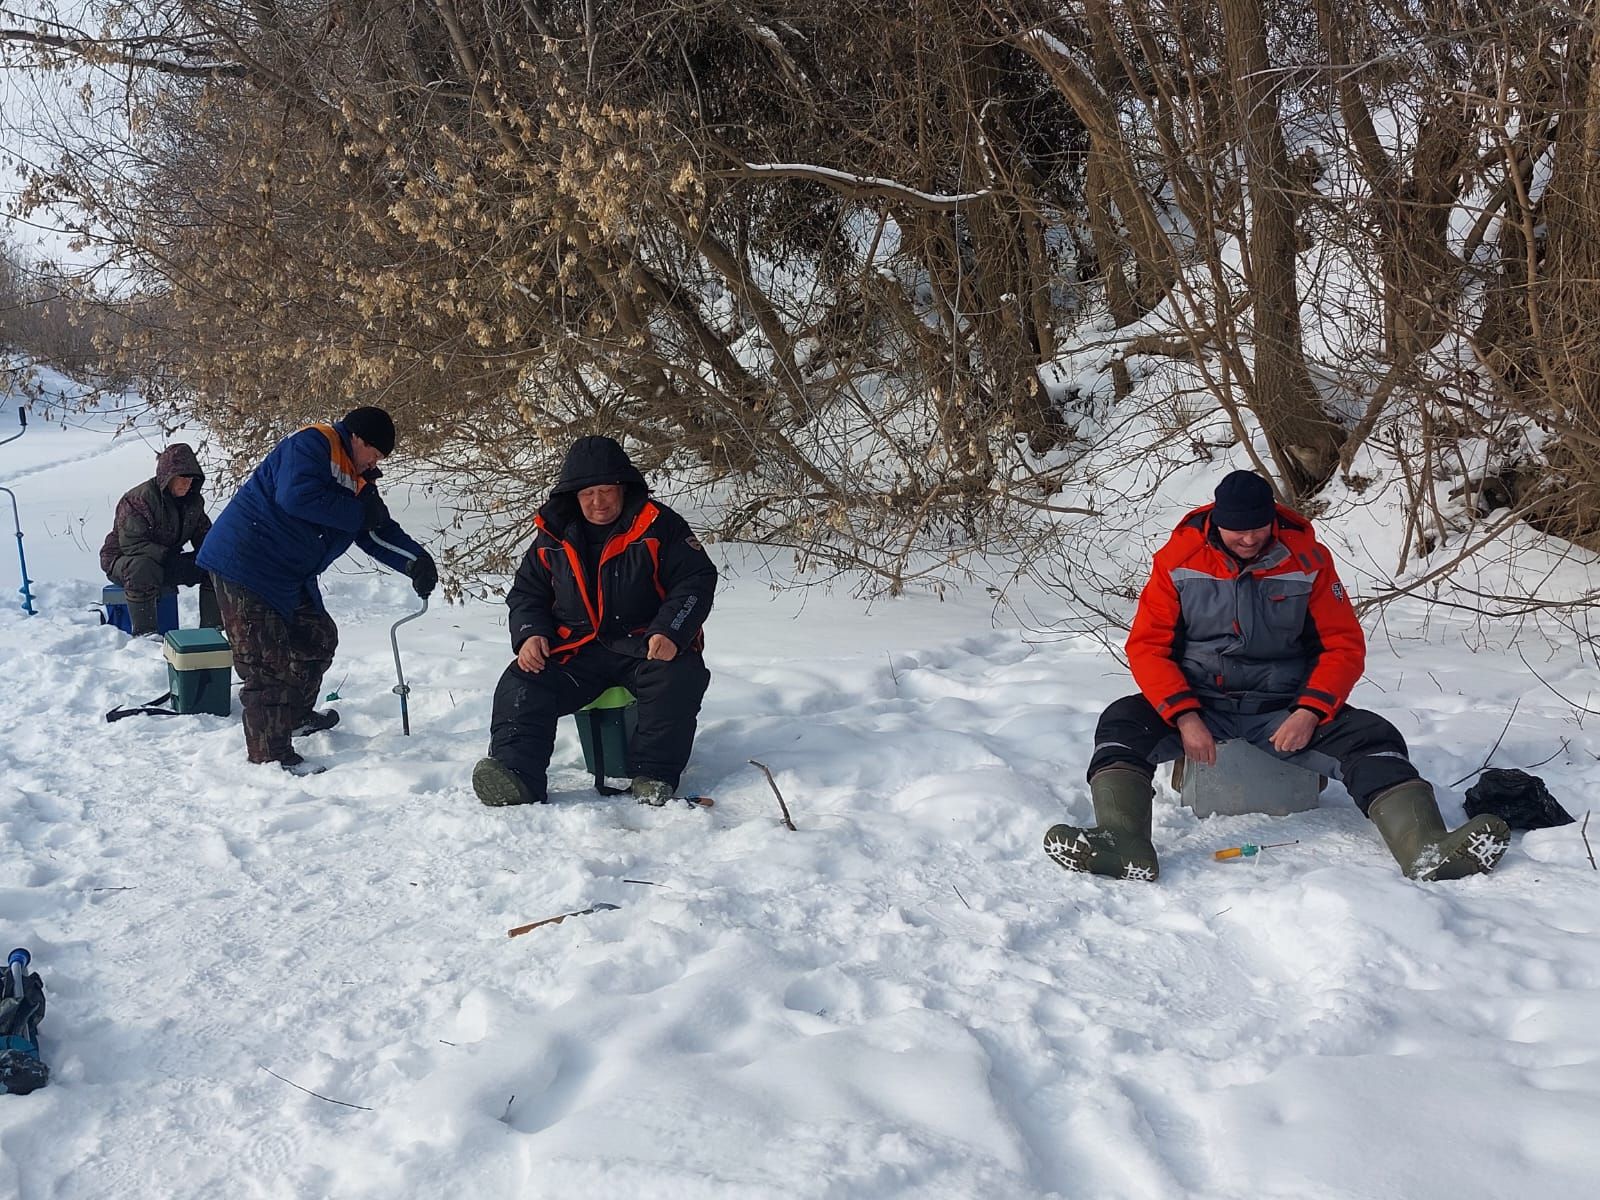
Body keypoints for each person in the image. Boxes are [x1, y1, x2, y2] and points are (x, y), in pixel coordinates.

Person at [1045, 469, 1510, 882]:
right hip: (1202, 700)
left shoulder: (1309, 561)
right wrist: (1185, 715)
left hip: (1283, 705)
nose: (1249, 539)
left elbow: (1342, 645)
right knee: (1123, 722)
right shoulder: (1177, 561)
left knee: (1373, 736)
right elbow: (1148, 647)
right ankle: (1123, 843)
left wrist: (1310, 710)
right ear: (1216, 522)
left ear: (1273, 518)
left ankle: (1425, 848)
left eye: (1258, 529)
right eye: (1237, 531)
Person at [472, 435, 717, 807]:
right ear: (573, 495)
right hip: (578, 649)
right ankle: (515, 775)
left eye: (606, 490)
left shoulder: (659, 524)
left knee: (677, 677)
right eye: (588, 493)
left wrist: (671, 630)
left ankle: (654, 776)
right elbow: (527, 594)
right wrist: (530, 634)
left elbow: (695, 580)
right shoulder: (551, 535)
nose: (598, 502)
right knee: (522, 679)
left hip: (644, 645)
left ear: (623, 488)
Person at [196, 407, 437, 775]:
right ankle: (270, 756)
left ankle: (293, 717)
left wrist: (415, 561)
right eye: (374, 452)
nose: (375, 462)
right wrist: (359, 515)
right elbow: (296, 497)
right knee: (266, 663)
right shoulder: (312, 444)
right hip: (245, 563)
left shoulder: (358, 479)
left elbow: (375, 530)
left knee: (317, 637)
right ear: (357, 438)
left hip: (288, 575)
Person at [100, 442, 219, 634]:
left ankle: (211, 631)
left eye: (191, 478)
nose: (187, 483)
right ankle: (145, 634)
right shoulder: (139, 498)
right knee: (143, 567)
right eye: (182, 477)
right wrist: (168, 558)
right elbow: (132, 544)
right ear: (168, 477)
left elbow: (205, 537)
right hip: (123, 560)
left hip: (166, 561)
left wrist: (217, 553)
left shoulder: (193, 502)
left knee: (213, 564)